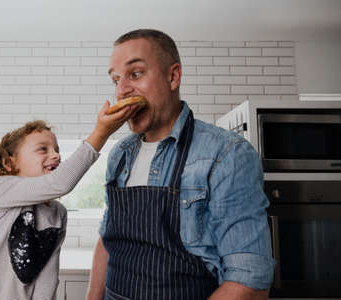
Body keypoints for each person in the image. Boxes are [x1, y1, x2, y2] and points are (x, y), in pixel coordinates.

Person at [86, 29, 275, 300]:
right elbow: (108, 238)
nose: (121, 90)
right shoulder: (120, 154)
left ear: (173, 76)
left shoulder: (226, 154)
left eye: (135, 74)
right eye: (116, 79)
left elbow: (250, 282)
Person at [0, 102, 142, 300]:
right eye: (42, 149)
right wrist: (101, 132)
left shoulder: (57, 212)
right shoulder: (1, 189)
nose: (55, 155)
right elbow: (60, 182)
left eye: (56, 149)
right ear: (9, 163)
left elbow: (48, 278)